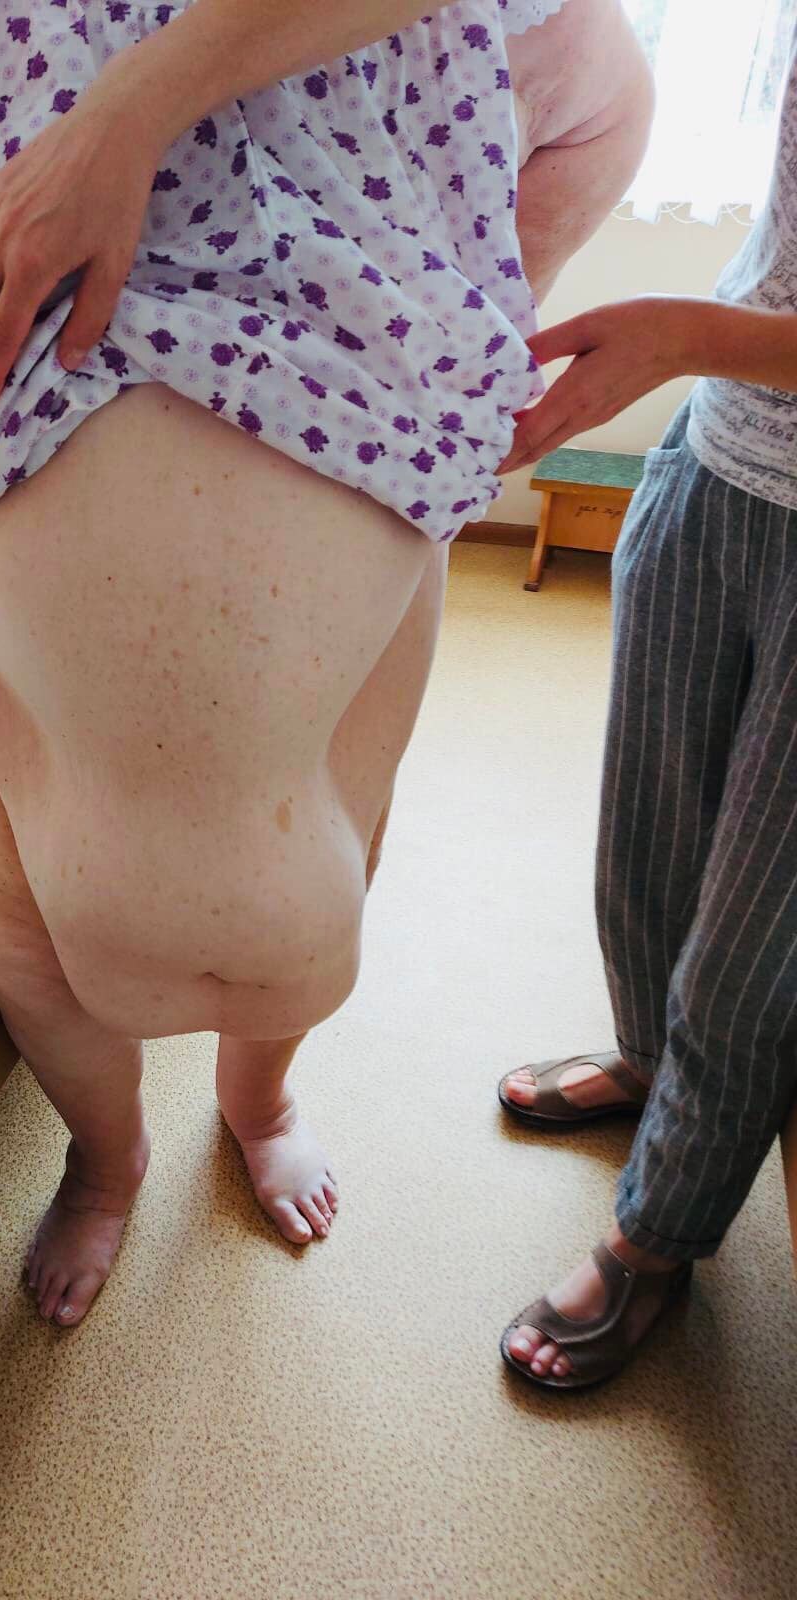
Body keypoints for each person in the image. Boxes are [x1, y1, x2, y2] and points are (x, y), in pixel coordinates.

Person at [0, 0, 652, 1327]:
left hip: (364, 552)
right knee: (20, 923)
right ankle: (105, 1163)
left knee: (338, 855)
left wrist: (470, 343)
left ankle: (260, 1104)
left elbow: (609, 105)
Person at [498, 14, 797, 1389]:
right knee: (646, 838)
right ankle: (641, 1060)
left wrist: (682, 332)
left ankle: (657, 1239)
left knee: (749, 950)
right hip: (716, 454)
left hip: (716, 378)